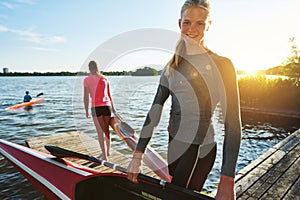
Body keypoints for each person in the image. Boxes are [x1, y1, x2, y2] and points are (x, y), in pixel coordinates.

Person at [127, 0, 242, 199]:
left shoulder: (222, 65)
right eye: (187, 22)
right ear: (179, 23)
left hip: (200, 148)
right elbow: (155, 111)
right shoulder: (171, 67)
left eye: (200, 23)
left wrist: (227, 181)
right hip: (174, 142)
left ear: (209, 25)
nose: (192, 29)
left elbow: (232, 123)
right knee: (177, 190)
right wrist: (137, 155)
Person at [83, 60, 118, 161]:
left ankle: (104, 156)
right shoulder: (105, 79)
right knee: (106, 130)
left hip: (96, 108)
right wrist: (114, 109)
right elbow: (109, 96)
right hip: (107, 107)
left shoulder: (87, 80)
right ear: (97, 68)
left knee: (100, 132)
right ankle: (108, 151)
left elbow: (85, 97)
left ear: (89, 68)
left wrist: (86, 111)